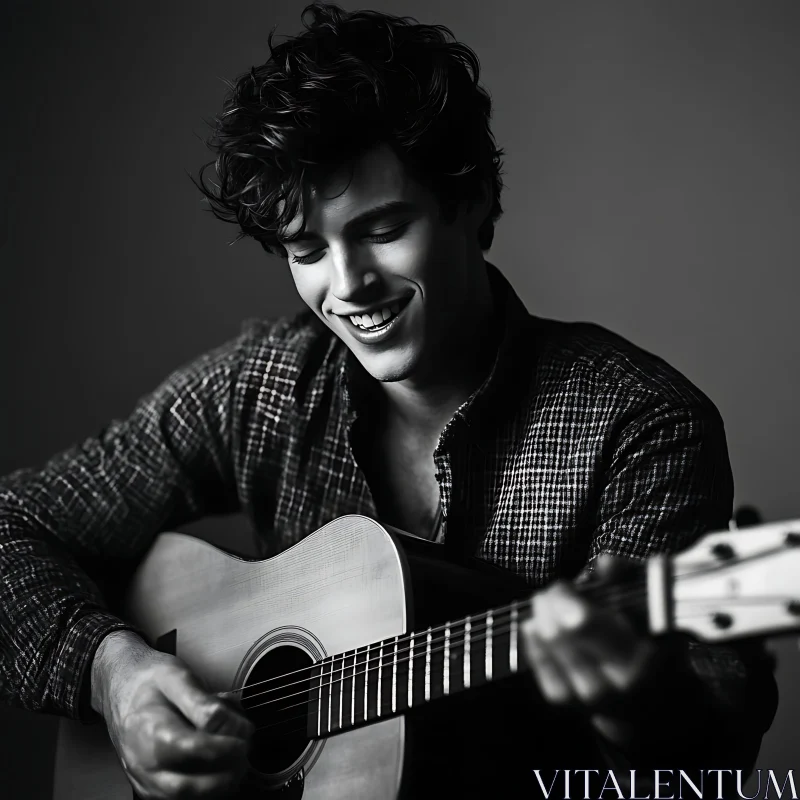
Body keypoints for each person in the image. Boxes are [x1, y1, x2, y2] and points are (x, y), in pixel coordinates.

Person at [0, 3, 777, 798]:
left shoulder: (639, 423)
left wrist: (631, 703)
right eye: (307, 250)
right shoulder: (261, 386)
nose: (347, 287)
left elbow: (695, 770)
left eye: (381, 229)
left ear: (468, 198)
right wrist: (113, 674)